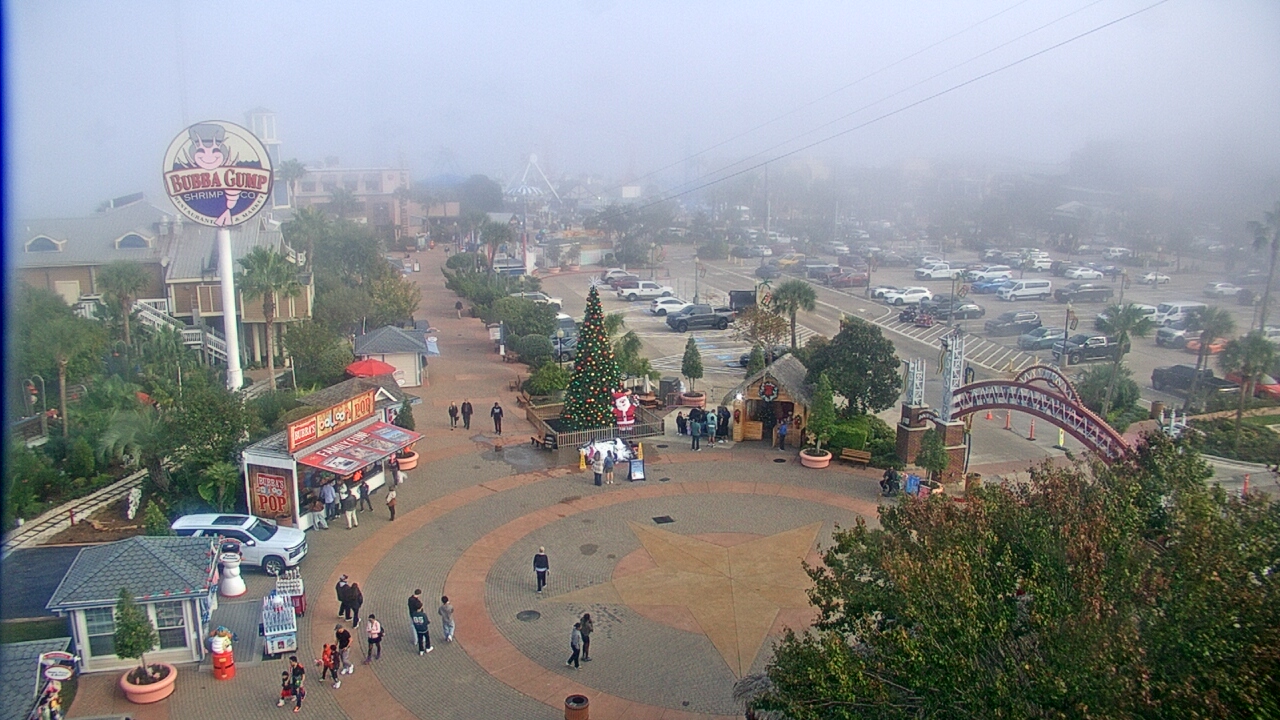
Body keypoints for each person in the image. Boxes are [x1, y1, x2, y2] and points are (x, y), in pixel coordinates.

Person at [408, 589, 432, 654]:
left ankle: (418, 645)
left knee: (413, 627)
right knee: (426, 637)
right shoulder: (422, 613)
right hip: (423, 628)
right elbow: (426, 621)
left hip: (412, 616)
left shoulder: (410, 599)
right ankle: (427, 647)